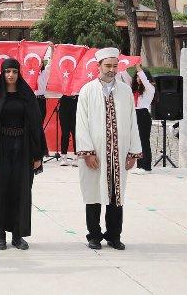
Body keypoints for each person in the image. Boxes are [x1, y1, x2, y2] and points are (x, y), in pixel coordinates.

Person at [75, 47, 141, 251]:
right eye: (108, 66)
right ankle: (94, 236)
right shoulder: (87, 90)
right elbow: (81, 123)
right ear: (98, 67)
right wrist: (87, 152)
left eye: (115, 65)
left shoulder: (125, 90)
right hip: (95, 155)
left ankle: (114, 236)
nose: (112, 69)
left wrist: (132, 152)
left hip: (118, 154)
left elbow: (132, 122)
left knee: (116, 196)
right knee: (94, 194)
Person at [0, 58, 46, 250]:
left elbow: (35, 126)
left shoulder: (27, 95)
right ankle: (0, 235)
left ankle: (17, 235)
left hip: (23, 149)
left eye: (14, 71)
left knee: (20, 190)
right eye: (7, 72)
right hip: (0, 149)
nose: (11, 75)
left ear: (18, 73)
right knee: (0, 190)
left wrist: (37, 156)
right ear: (2, 73)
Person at [131, 64, 155, 175]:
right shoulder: (135, 91)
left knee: (144, 141)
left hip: (143, 115)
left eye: (140, 77)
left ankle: (146, 166)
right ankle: (140, 165)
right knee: (137, 141)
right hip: (135, 114)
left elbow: (145, 81)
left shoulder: (150, 88)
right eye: (136, 77)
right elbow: (125, 78)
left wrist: (138, 68)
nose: (138, 79)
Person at [59, 94, 78, 167]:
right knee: (65, 132)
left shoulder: (78, 82)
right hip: (64, 101)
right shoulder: (63, 82)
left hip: (76, 101)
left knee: (75, 132)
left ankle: (76, 157)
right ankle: (63, 157)